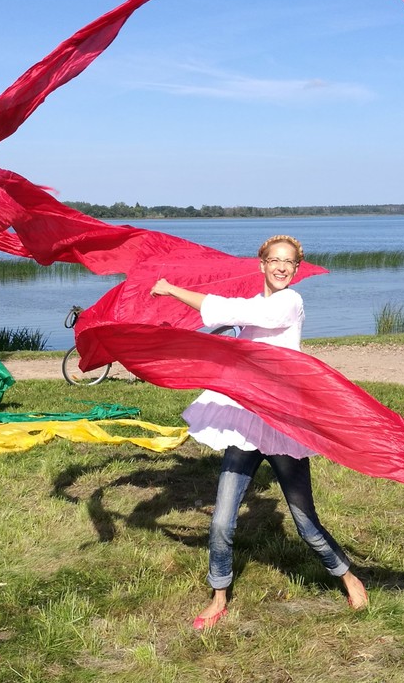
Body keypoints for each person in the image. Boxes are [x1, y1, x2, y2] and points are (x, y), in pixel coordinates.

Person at [150, 235, 367, 629]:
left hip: (283, 424)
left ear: (296, 269)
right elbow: (226, 325)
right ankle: (219, 596)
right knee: (220, 520)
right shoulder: (253, 309)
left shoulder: (290, 303)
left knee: (305, 524)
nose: (283, 267)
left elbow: (235, 311)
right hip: (247, 424)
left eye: (290, 262)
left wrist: (172, 290)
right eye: (275, 260)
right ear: (262, 264)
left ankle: (349, 576)